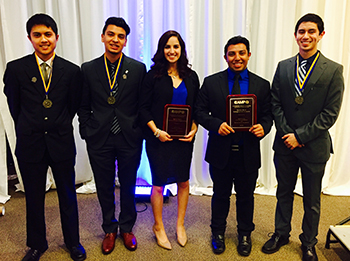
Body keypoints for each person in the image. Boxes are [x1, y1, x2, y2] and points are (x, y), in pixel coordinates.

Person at [261, 13, 344, 261]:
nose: (305, 36)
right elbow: (275, 102)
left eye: (311, 31)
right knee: (283, 192)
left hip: (314, 146)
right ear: (295, 35)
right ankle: (281, 233)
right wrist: (288, 134)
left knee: (311, 199)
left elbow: (330, 113)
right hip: (285, 145)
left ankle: (308, 242)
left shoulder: (333, 70)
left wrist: (300, 136)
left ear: (321, 34)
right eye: (301, 31)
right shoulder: (284, 66)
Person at [3, 13, 86, 261]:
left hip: (61, 142)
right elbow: (14, 107)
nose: (43, 39)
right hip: (31, 144)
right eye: (37, 35)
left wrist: (55, 124)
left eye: (48, 34)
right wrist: (33, 125)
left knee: (68, 196)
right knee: (34, 198)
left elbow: (72, 106)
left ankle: (73, 242)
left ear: (57, 37)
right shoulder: (16, 69)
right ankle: (37, 244)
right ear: (30, 38)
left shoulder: (71, 71)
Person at [195, 36, 272, 256]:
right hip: (220, 151)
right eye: (231, 54)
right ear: (225, 56)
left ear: (249, 54)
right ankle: (217, 233)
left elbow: (268, 116)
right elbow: (199, 111)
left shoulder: (262, 85)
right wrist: (216, 124)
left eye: (241, 53)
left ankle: (245, 234)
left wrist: (263, 128)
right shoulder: (211, 82)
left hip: (248, 151)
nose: (236, 58)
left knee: (246, 196)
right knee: (220, 194)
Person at [78, 17, 146, 254]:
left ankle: (127, 227)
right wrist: (86, 129)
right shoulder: (88, 69)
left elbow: (142, 104)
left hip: (129, 136)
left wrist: (139, 130)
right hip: (99, 136)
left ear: (125, 41)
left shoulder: (138, 69)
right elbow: (83, 104)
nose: (115, 39)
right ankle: (109, 228)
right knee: (104, 185)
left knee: (128, 185)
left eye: (120, 36)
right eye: (110, 34)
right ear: (102, 37)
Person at [139, 30, 200, 250]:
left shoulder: (191, 77)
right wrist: (156, 132)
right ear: (161, 50)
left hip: (184, 140)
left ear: (181, 49)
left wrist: (194, 128)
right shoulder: (152, 76)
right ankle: (158, 226)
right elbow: (143, 109)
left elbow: (197, 109)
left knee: (183, 181)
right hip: (159, 139)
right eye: (167, 47)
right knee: (158, 184)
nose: (172, 51)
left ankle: (180, 225)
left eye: (176, 47)